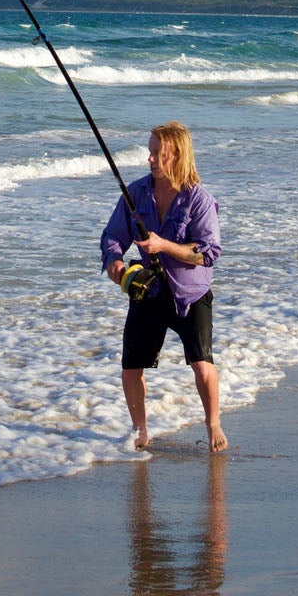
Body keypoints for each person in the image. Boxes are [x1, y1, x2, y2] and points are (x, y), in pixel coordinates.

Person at [101, 120, 225, 452]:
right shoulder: (136, 193)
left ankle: (213, 423)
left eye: (158, 153)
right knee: (131, 366)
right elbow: (113, 235)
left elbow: (208, 253)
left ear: (178, 155)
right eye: (150, 152)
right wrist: (113, 259)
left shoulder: (199, 200)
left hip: (190, 294)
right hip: (151, 290)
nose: (151, 159)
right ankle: (139, 431)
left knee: (201, 364)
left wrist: (165, 245)